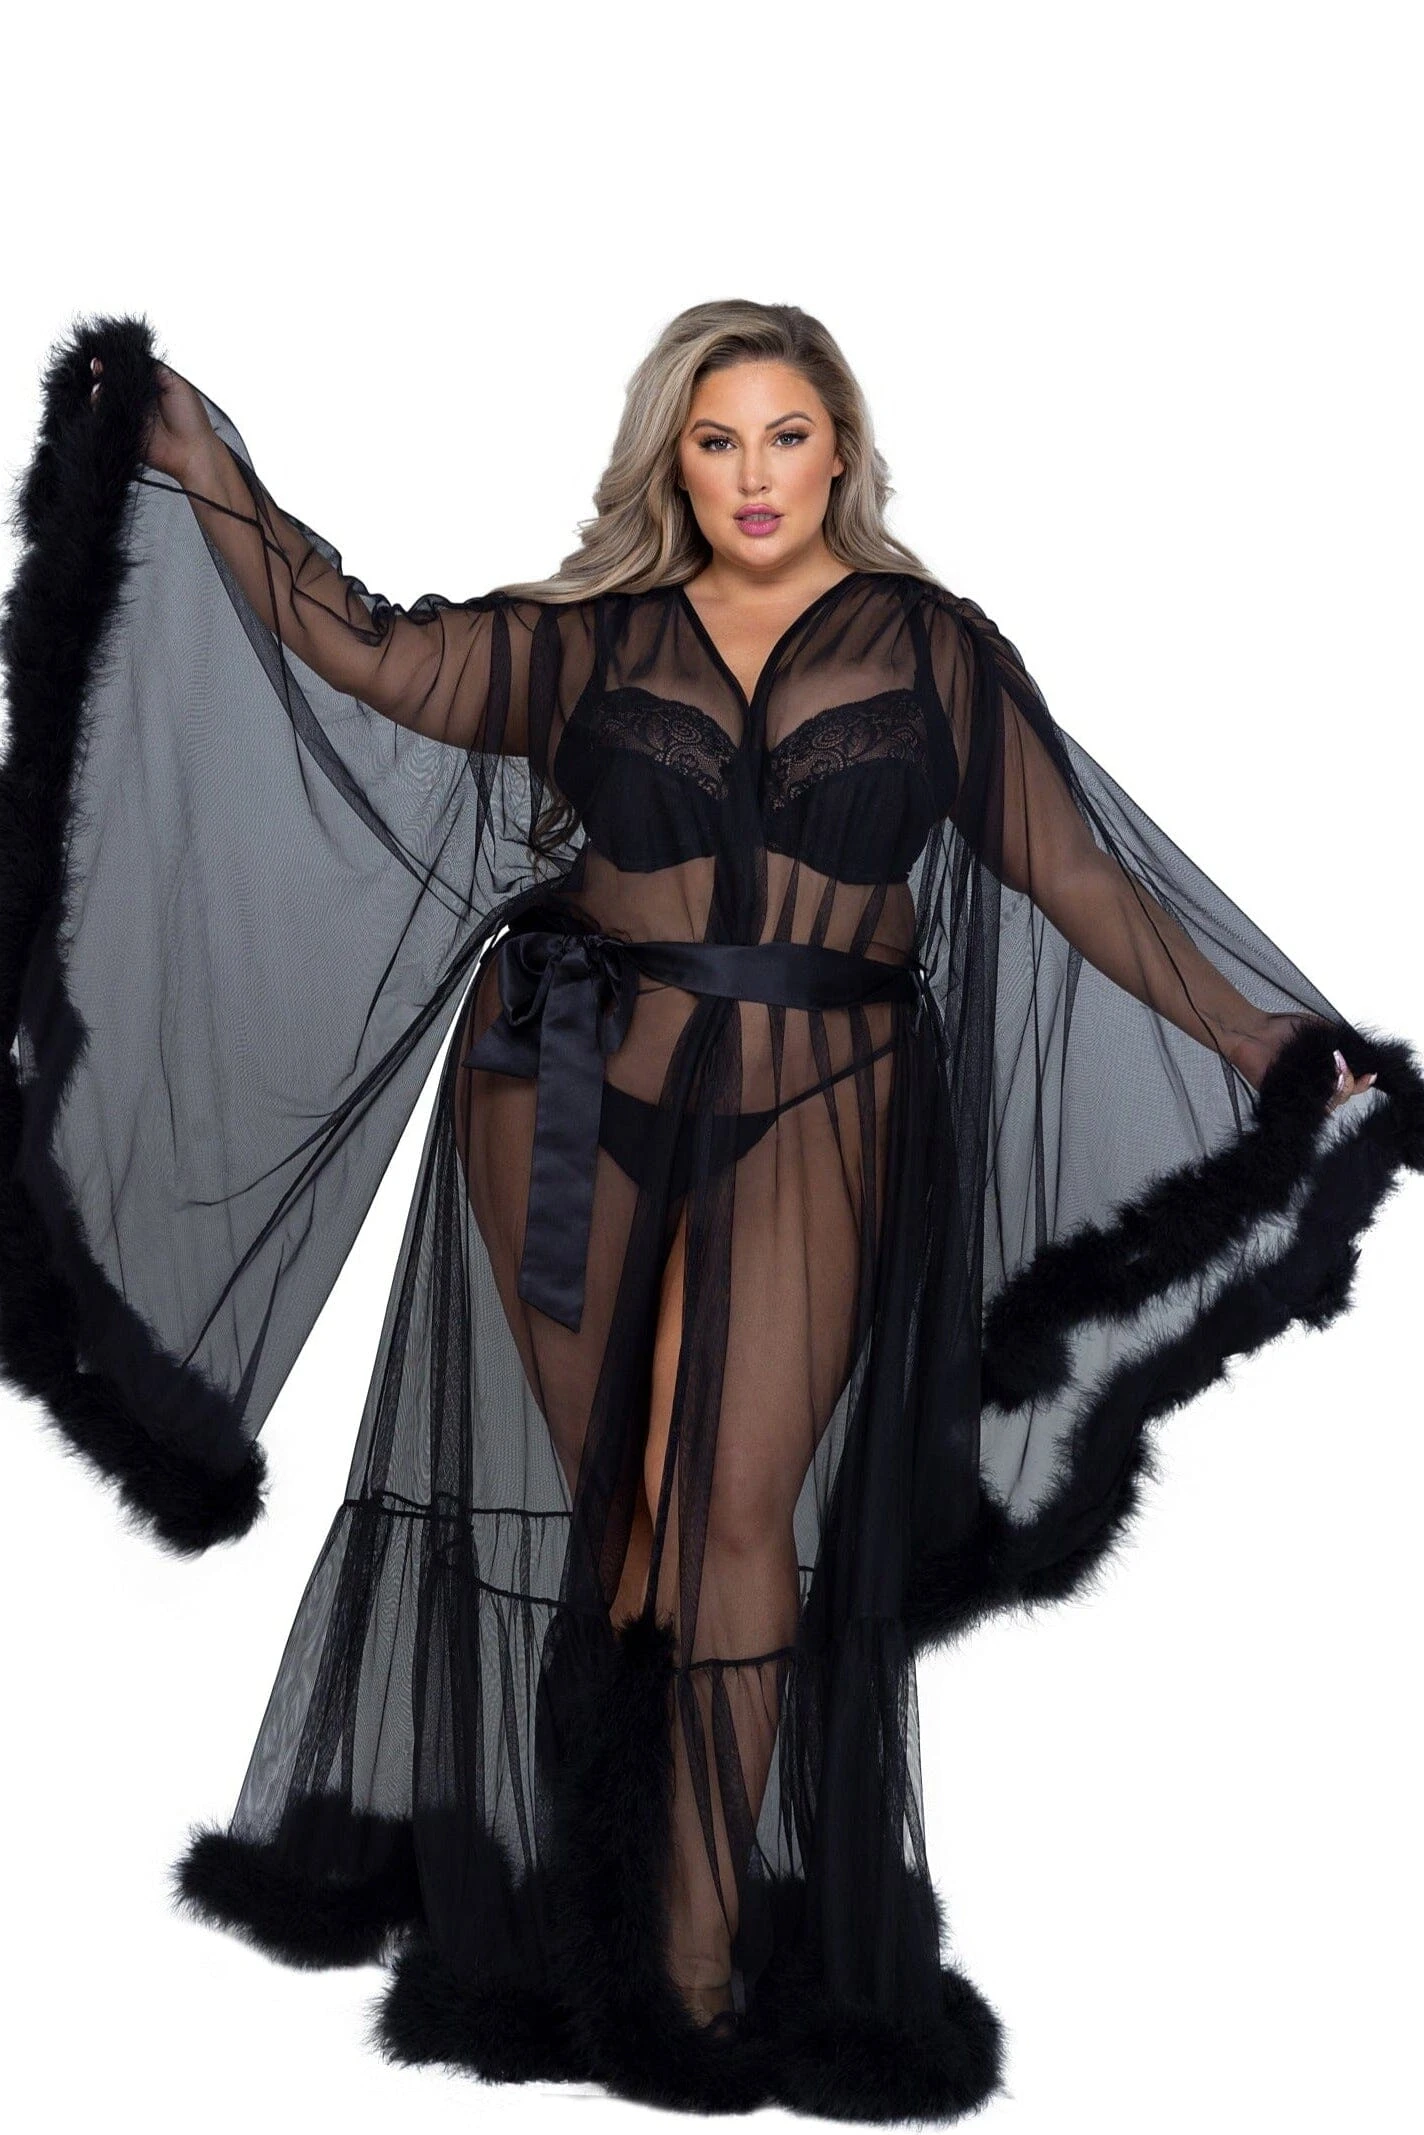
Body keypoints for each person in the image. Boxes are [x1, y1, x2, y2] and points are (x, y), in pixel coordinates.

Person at [1, 300, 1416, 2123]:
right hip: (563, 1086)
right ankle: (589, 1919)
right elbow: (364, 650)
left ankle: (688, 1951)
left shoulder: (935, 649)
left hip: (824, 1095)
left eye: (786, 435)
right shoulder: (588, 639)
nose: (755, 474)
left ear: (843, 450)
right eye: (717, 438)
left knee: (739, 1509)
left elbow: (1072, 869)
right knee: (627, 1514)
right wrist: (205, 464)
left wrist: (1256, 1032)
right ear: (673, 456)